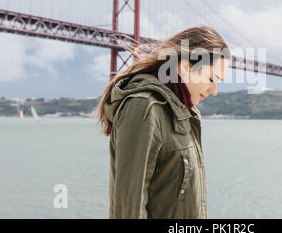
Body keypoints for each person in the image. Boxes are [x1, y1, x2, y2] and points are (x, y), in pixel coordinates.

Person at [95, 25, 231, 219]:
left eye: (219, 82)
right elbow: (129, 210)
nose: (214, 90)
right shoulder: (144, 107)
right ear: (185, 67)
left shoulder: (186, 113)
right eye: (211, 78)